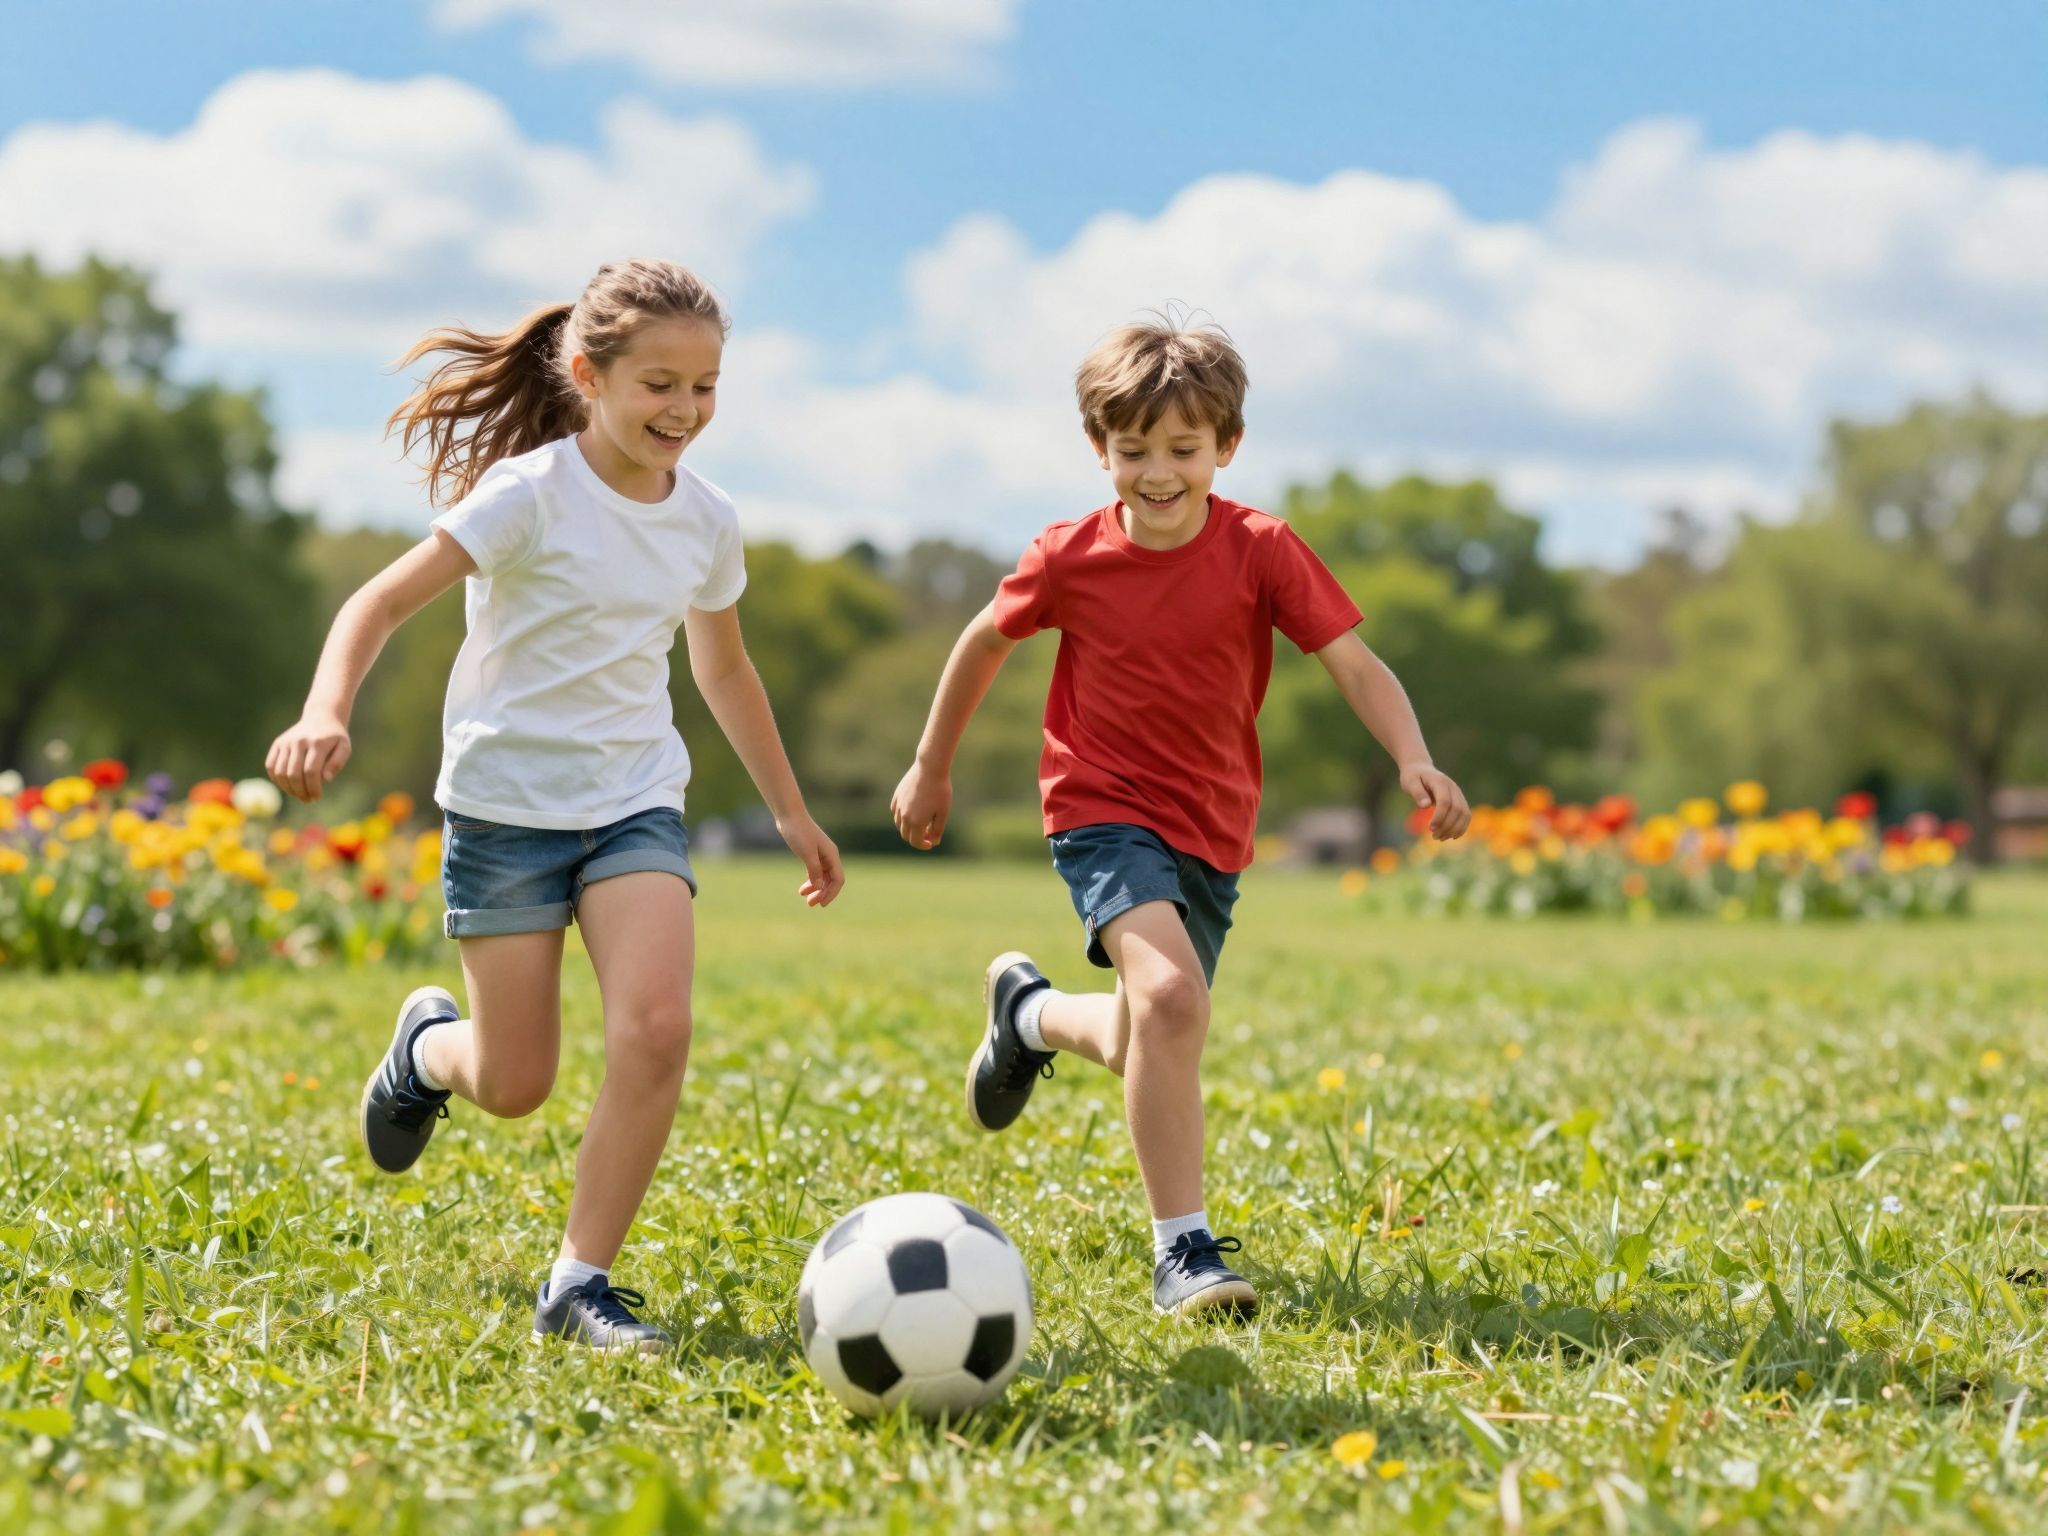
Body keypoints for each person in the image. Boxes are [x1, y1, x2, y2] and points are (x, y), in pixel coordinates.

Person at [266, 258, 843, 1353]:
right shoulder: (529, 494)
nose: (685, 411)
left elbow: (723, 672)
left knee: (657, 1028)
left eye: (706, 387)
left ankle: (580, 1283)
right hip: (503, 811)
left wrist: (789, 812)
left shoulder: (707, 521)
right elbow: (377, 603)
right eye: (659, 385)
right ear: (590, 374)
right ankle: (431, 1049)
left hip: (633, 802)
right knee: (514, 1081)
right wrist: (325, 709)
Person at [890, 315, 1469, 1316]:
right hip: (1098, 803)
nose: (1157, 473)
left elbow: (1352, 664)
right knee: (1169, 1005)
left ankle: (1024, 1017)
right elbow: (984, 642)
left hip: (1211, 824)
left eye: (1182, 450)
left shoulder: (1261, 550)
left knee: (1146, 1032)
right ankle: (1182, 1250)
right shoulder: (1069, 555)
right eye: (1132, 451)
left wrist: (1411, 755)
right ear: (1099, 449)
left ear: (1226, 447)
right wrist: (929, 764)